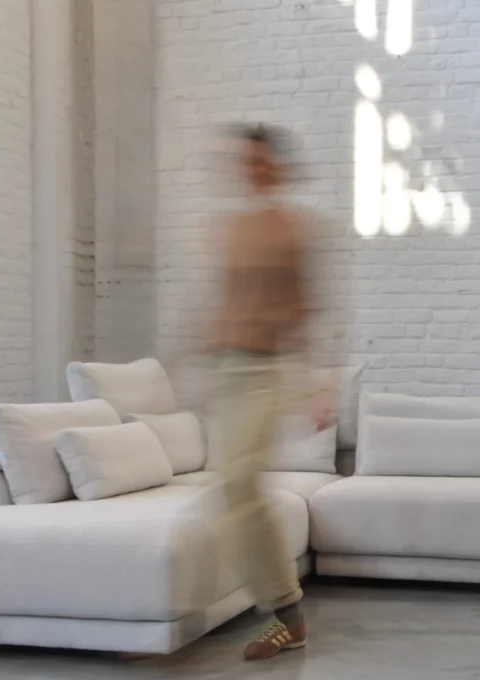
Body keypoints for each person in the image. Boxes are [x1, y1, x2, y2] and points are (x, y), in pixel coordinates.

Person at [206, 124, 334, 661]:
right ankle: (177, 619)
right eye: (245, 162)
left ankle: (288, 615)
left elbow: (311, 310)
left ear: (278, 167)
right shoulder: (228, 228)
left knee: (239, 484)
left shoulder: (296, 229)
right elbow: (219, 303)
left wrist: (316, 384)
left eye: (261, 162)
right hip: (229, 370)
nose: (252, 171)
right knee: (228, 491)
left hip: (268, 369)